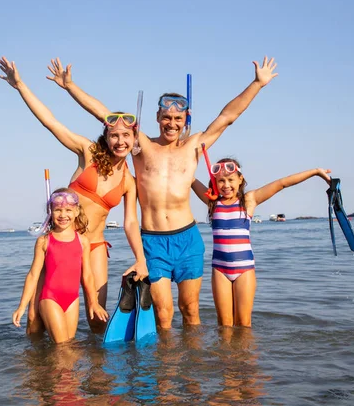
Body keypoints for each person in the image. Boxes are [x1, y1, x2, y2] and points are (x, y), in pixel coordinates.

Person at [48, 56, 278, 329]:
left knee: (190, 309)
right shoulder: (140, 144)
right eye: (166, 117)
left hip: (188, 239)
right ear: (157, 118)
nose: (171, 123)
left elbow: (228, 117)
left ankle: (191, 371)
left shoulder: (195, 145)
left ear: (185, 119)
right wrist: (70, 86)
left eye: (178, 118)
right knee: (163, 313)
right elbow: (105, 115)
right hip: (154, 241)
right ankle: (166, 371)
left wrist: (257, 83)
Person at [0, 57, 148, 334]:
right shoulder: (88, 152)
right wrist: (20, 85)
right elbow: (51, 123)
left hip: (95, 247)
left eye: (126, 136)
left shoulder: (129, 181)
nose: (120, 141)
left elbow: (130, 223)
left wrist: (140, 259)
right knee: (35, 322)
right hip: (62, 243)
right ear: (106, 136)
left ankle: (96, 374)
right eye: (114, 135)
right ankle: (41, 373)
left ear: (134, 139)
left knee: (97, 319)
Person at [191, 159, 332, 327]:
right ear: (215, 182)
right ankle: (225, 354)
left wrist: (315, 171)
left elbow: (282, 183)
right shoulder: (213, 203)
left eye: (230, 180)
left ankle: (245, 354)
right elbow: (189, 179)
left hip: (244, 270)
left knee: (243, 324)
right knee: (224, 325)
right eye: (221, 180)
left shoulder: (249, 200)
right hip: (220, 271)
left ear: (240, 179)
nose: (226, 185)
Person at [12, 189, 109, 343]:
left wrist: (94, 302)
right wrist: (22, 306)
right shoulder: (44, 241)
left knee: (69, 346)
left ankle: (47, 366)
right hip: (50, 298)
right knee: (63, 347)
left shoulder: (83, 241)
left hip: (72, 300)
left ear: (76, 211)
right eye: (58, 210)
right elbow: (33, 275)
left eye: (68, 210)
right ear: (50, 212)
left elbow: (88, 275)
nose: (63, 215)